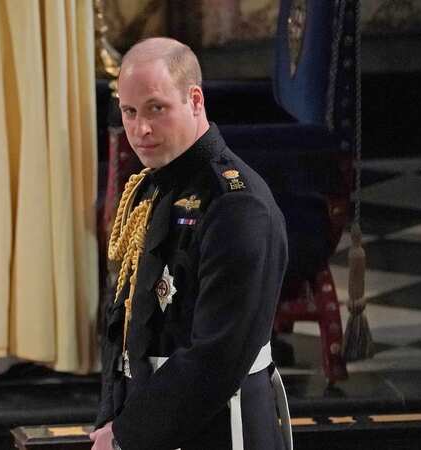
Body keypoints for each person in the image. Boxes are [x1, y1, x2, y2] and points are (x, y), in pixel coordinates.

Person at [90, 37, 291, 450]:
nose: (140, 129)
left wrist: (129, 434)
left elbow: (218, 356)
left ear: (195, 99)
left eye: (155, 108)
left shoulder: (236, 204)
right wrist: (112, 420)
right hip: (150, 417)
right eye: (129, 112)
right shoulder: (150, 188)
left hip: (218, 426)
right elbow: (123, 326)